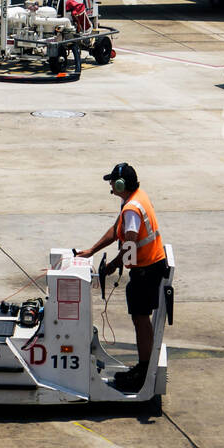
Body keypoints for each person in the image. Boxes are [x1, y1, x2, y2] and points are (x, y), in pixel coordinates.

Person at [75, 162, 166, 389]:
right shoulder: (135, 198)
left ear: (119, 184)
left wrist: (113, 266)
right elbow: (117, 230)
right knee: (140, 318)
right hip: (147, 266)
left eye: (112, 182)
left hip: (147, 270)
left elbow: (130, 245)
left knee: (140, 319)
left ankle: (144, 372)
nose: (110, 186)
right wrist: (92, 251)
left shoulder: (132, 210)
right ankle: (145, 366)